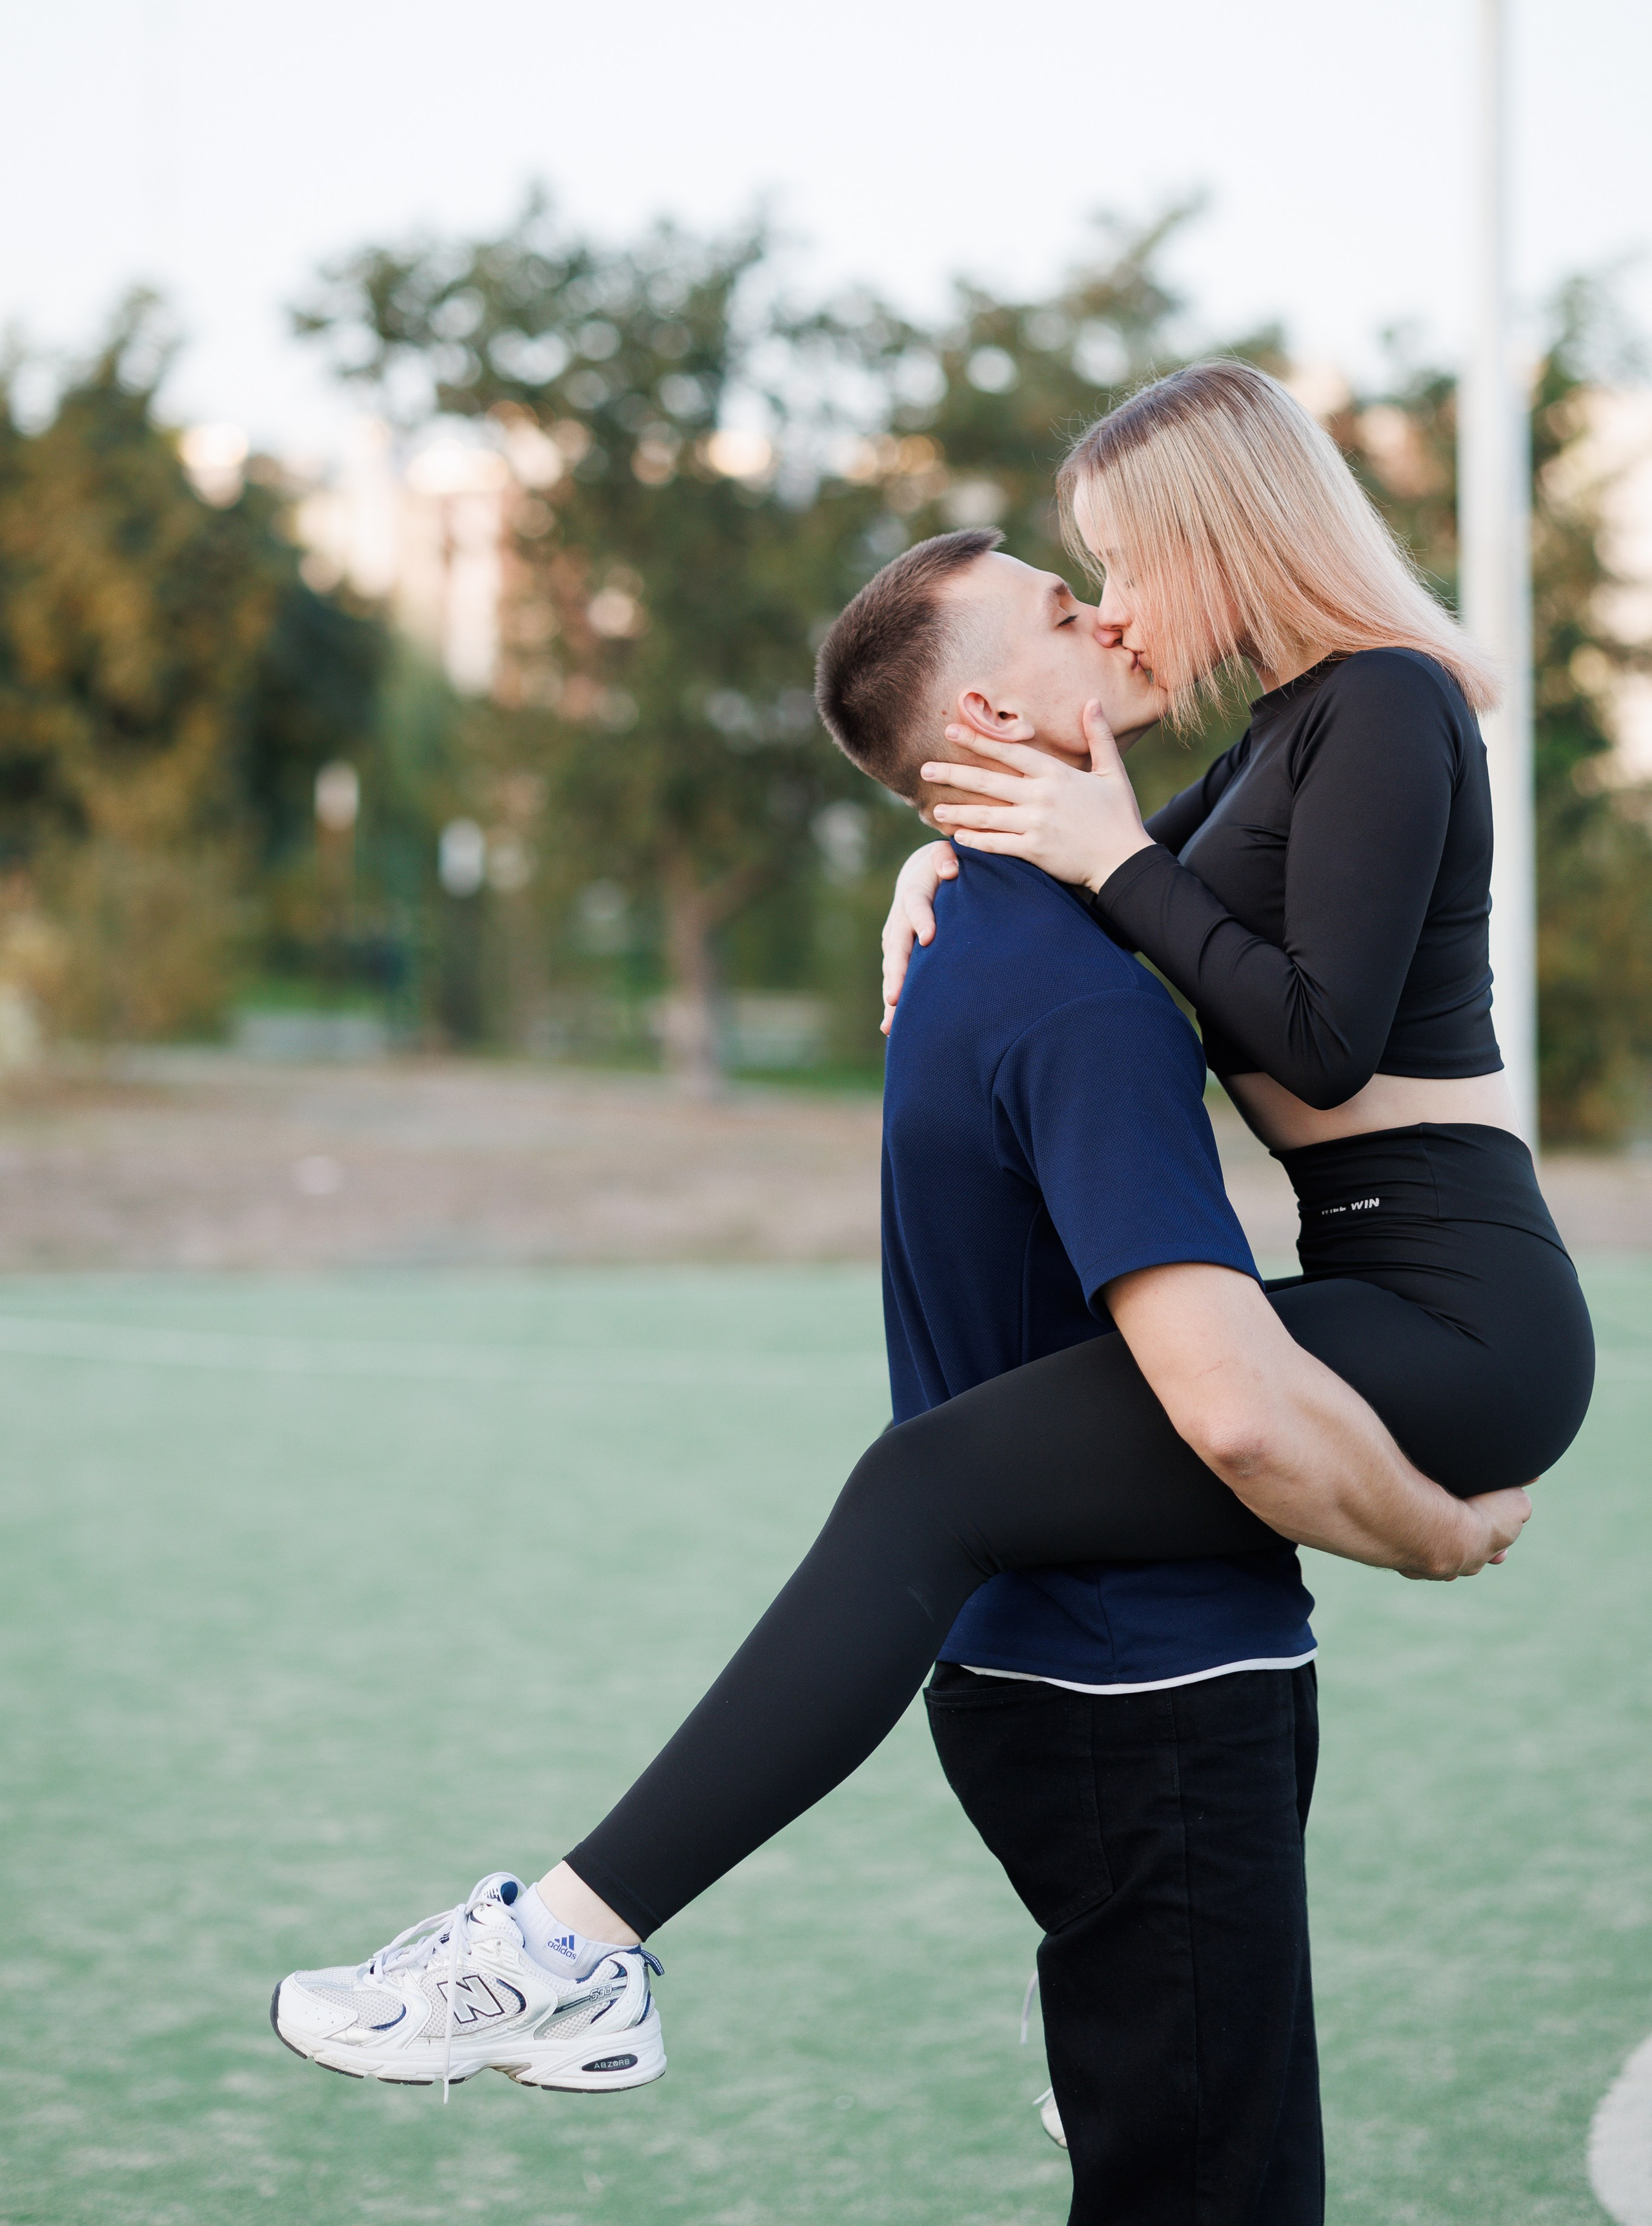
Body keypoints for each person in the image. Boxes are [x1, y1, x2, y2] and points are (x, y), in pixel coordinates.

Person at [272, 366, 1590, 2180]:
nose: (1117, 608)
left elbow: (1318, 1030)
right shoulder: (1290, 733)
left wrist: (1113, 850)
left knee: (933, 1485)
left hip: (1465, 1306)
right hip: (1384, 1281)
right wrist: (945, 856)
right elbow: (1125, 886)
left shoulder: (1386, 707)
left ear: (1226, 533)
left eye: (1123, 565)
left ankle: (565, 1951)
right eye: (1085, 586)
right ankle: (1114, 2026)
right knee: (964, 1490)